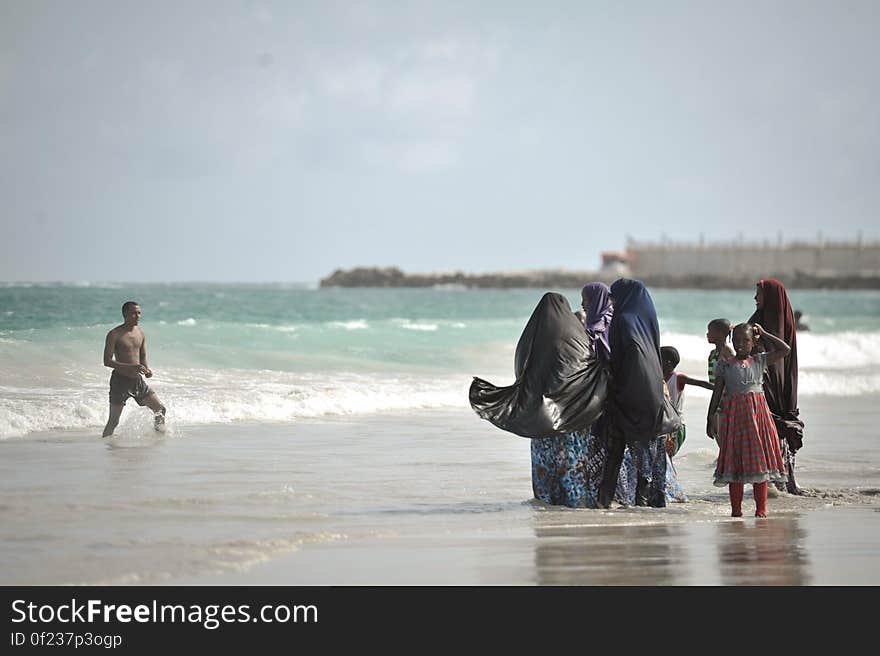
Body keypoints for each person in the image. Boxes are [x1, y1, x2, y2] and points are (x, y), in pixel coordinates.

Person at [469, 292, 608, 508]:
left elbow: (521, 374)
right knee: (571, 464)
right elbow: (588, 371)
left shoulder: (530, 341)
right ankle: (577, 505)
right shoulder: (577, 336)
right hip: (574, 417)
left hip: (541, 417)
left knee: (546, 464)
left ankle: (546, 505)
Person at [598, 279, 677, 508]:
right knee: (648, 458)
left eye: (613, 297)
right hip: (650, 397)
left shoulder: (622, 321)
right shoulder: (647, 322)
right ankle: (650, 506)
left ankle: (606, 505)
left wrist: (613, 380)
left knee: (618, 455)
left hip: (628, 397)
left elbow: (627, 358)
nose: (611, 302)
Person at [707, 323, 789, 516]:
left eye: (746, 340)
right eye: (736, 340)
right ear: (731, 341)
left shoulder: (759, 361)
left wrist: (765, 333)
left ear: (753, 342)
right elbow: (717, 393)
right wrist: (710, 417)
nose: (740, 344)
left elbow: (785, 349)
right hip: (734, 419)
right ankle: (736, 510)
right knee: (735, 464)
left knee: (760, 463)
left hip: (758, 419)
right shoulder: (724, 365)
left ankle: (761, 509)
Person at [749, 279, 805, 494]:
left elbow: (786, 354)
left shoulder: (785, 322)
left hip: (782, 385)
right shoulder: (756, 320)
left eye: (759, 294)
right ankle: (769, 481)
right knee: (764, 428)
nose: (755, 298)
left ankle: (788, 478)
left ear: (770, 297)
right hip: (761, 383)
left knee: (783, 426)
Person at [102, 301, 166, 437]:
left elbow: (142, 356)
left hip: (137, 381)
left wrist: (147, 370)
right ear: (125, 314)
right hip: (119, 381)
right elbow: (107, 361)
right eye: (133, 313)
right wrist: (132, 367)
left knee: (160, 409)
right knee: (113, 422)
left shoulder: (140, 333)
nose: (137, 316)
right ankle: (105, 446)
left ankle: (159, 438)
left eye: (139, 313)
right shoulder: (114, 334)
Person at [660, 345, 713, 457]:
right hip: (664, 425)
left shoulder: (678, 378)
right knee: (662, 458)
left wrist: (720, 387)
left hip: (676, 427)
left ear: (667, 363)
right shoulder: (658, 379)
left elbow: (700, 383)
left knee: (666, 458)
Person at [706, 319, 734, 448]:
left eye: (710, 331)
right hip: (716, 396)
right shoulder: (712, 354)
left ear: (721, 334)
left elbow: (734, 375)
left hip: (726, 398)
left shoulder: (727, 352)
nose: (707, 334)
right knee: (717, 431)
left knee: (724, 433)